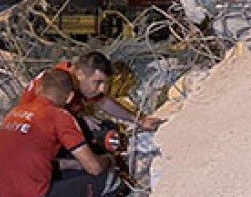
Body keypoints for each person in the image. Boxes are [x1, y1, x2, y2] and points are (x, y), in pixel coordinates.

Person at [0, 68, 122, 197]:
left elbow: (37, 161)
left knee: (71, 172)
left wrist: (76, 165)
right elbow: (95, 168)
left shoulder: (15, 112)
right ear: (69, 97)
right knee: (110, 179)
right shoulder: (59, 116)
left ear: (39, 90)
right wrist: (109, 159)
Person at [19, 51, 163, 149]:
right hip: (31, 136)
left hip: (46, 126)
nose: (102, 89)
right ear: (80, 74)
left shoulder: (76, 79)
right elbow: (43, 116)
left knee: (105, 128)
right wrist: (77, 120)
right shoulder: (58, 82)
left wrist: (139, 120)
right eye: (98, 82)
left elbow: (104, 102)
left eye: (104, 83)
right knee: (99, 139)